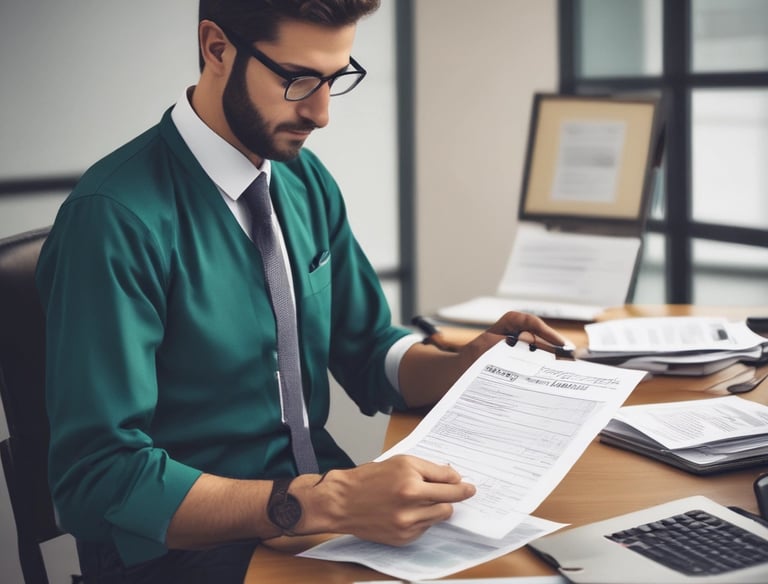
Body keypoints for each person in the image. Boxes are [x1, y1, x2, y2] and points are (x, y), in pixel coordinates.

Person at [35, 1, 568, 581]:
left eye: (335, 80)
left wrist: (464, 365)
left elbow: (368, 348)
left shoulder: (302, 178)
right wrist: (327, 502)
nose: (321, 113)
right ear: (216, 49)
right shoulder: (114, 219)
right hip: (190, 556)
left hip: (327, 525)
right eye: (298, 80)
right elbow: (97, 479)